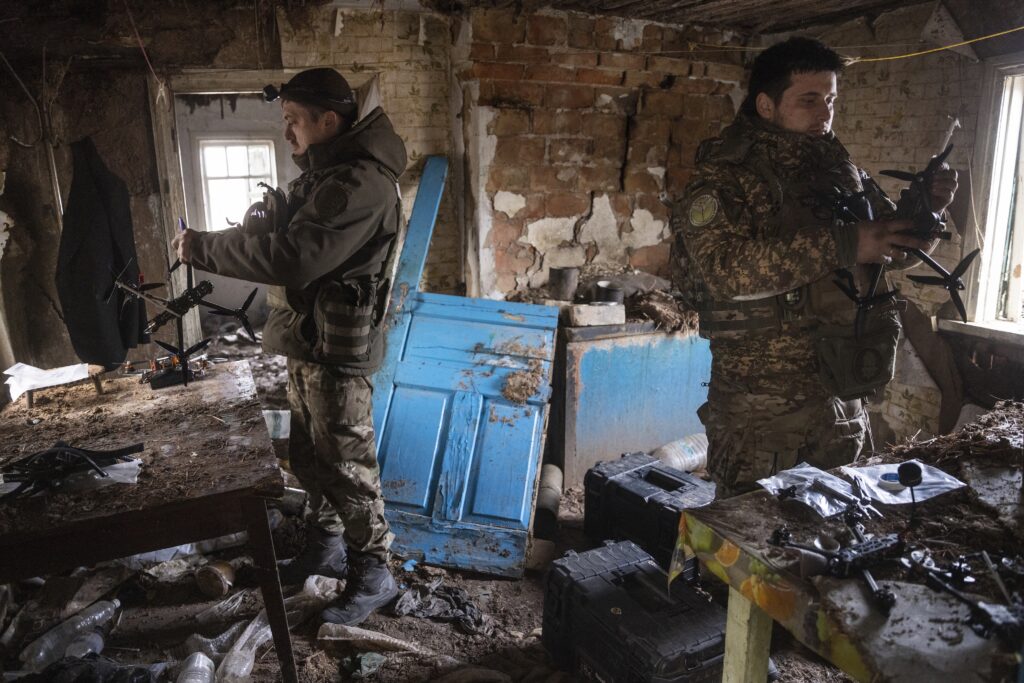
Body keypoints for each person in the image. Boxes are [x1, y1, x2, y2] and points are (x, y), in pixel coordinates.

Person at [672, 37, 957, 498]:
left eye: (831, 100)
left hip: (842, 389)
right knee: (751, 526)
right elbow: (723, 270)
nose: (825, 112)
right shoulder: (727, 175)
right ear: (766, 105)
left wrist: (927, 209)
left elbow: (893, 249)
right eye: (809, 100)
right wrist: (847, 242)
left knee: (838, 518)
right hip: (763, 406)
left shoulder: (841, 169)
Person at [173, 67, 407, 625]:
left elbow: (295, 257)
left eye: (293, 120)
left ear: (327, 121)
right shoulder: (325, 176)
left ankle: (375, 572)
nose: (287, 133)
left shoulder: (360, 185)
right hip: (310, 342)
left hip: (338, 354)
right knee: (310, 457)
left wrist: (203, 248)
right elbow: (277, 239)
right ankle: (325, 550)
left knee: (347, 465)